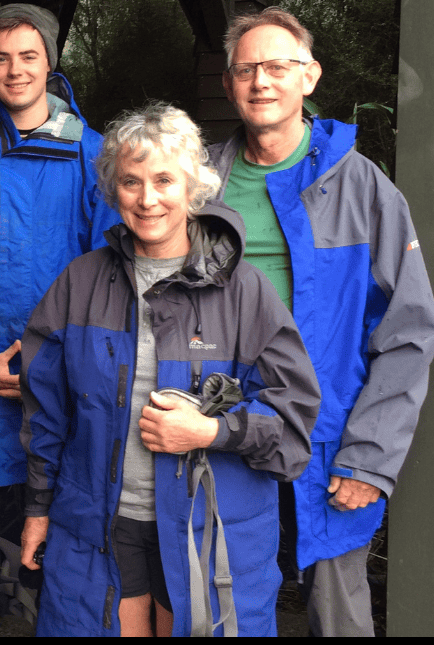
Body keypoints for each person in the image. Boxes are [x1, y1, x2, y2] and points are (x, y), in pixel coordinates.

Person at [18, 102, 321, 636]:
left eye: (164, 179)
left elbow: (293, 417)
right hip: (103, 523)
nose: (148, 198)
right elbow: (46, 413)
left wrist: (211, 429)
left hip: (210, 524)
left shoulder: (244, 290)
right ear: (114, 191)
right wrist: (38, 509)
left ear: (192, 186)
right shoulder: (80, 283)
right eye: (131, 182)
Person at [212, 7, 434, 636]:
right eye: (248, 68)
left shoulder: (365, 188)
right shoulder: (199, 184)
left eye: (279, 66)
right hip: (223, 426)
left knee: (336, 611)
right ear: (230, 83)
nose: (262, 80)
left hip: (331, 432)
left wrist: (369, 458)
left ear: (309, 77)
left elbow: (409, 330)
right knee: (220, 601)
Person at [0, 3, 121, 636]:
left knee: (61, 519)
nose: (15, 70)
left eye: (28, 56)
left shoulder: (93, 156)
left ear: (50, 62)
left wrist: (50, 365)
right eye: (1, 58)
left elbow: (106, 276)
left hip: (63, 378)